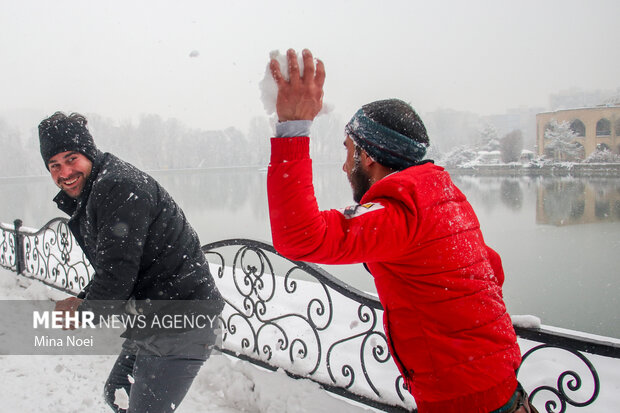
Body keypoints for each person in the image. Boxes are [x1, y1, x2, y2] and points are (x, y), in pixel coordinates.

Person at [266, 49, 537, 413]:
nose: (343, 166)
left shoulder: (401, 214)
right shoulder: (444, 196)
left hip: (463, 402)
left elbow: (300, 237)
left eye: (348, 152)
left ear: (369, 158)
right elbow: (492, 269)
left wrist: (292, 128)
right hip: (503, 386)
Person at [39, 112, 225, 413]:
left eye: (71, 158)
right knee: (118, 392)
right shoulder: (97, 189)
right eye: (54, 165)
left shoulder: (117, 187)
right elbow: (118, 265)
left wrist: (81, 313)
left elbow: (117, 277)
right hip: (154, 317)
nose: (65, 172)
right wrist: (85, 300)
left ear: (88, 153)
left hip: (184, 320)